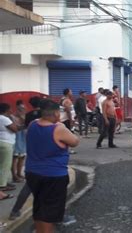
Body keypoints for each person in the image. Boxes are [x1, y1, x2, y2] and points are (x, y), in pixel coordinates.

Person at [25, 99, 79, 233]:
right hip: (53, 176)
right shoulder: (58, 129)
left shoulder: (32, 124)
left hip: (32, 173)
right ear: (56, 113)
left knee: (39, 206)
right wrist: (64, 126)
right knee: (49, 213)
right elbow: (75, 141)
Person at [0, 103, 18, 200]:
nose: (11, 110)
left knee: (2, 165)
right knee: (5, 166)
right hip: (6, 143)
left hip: (2, 142)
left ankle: (3, 184)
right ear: (6, 110)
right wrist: (12, 118)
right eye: (10, 109)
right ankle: (2, 188)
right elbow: (14, 128)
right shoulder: (4, 118)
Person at [12, 100, 27, 183]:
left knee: (22, 156)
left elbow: (26, 124)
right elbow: (16, 127)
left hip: (23, 138)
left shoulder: (24, 116)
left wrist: (22, 117)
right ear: (17, 108)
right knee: (15, 157)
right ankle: (14, 175)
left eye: (23, 108)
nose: (22, 110)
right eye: (20, 108)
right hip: (16, 138)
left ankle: (19, 173)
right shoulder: (12, 117)